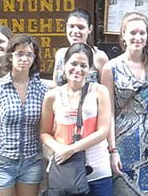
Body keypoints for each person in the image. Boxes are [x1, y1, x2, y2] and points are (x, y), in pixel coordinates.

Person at [101, 11, 148, 195]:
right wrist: (112, 149)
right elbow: (108, 113)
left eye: (142, 33)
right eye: (132, 33)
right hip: (122, 138)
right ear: (123, 35)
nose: (137, 37)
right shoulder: (111, 68)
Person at [41, 43, 113, 195]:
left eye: (83, 65)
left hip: (96, 167)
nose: (78, 69)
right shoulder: (52, 96)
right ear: (64, 65)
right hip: (65, 171)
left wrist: (72, 149)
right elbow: (44, 133)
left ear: (89, 69)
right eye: (73, 64)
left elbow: (103, 131)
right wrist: (60, 149)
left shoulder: (99, 92)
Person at [0, 35, 48, 195]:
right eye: (19, 54)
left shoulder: (42, 90)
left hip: (32, 162)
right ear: (11, 56)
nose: (24, 58)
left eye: (29, 54)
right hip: (3, 162)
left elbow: (45, 129)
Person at [54, 8, 109, 85]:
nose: (75, 31)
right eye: (71, 26)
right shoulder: (60, 54)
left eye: (81, 27)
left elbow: (106, 91)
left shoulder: (99, 57)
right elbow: (55, 85)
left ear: (90, 29)